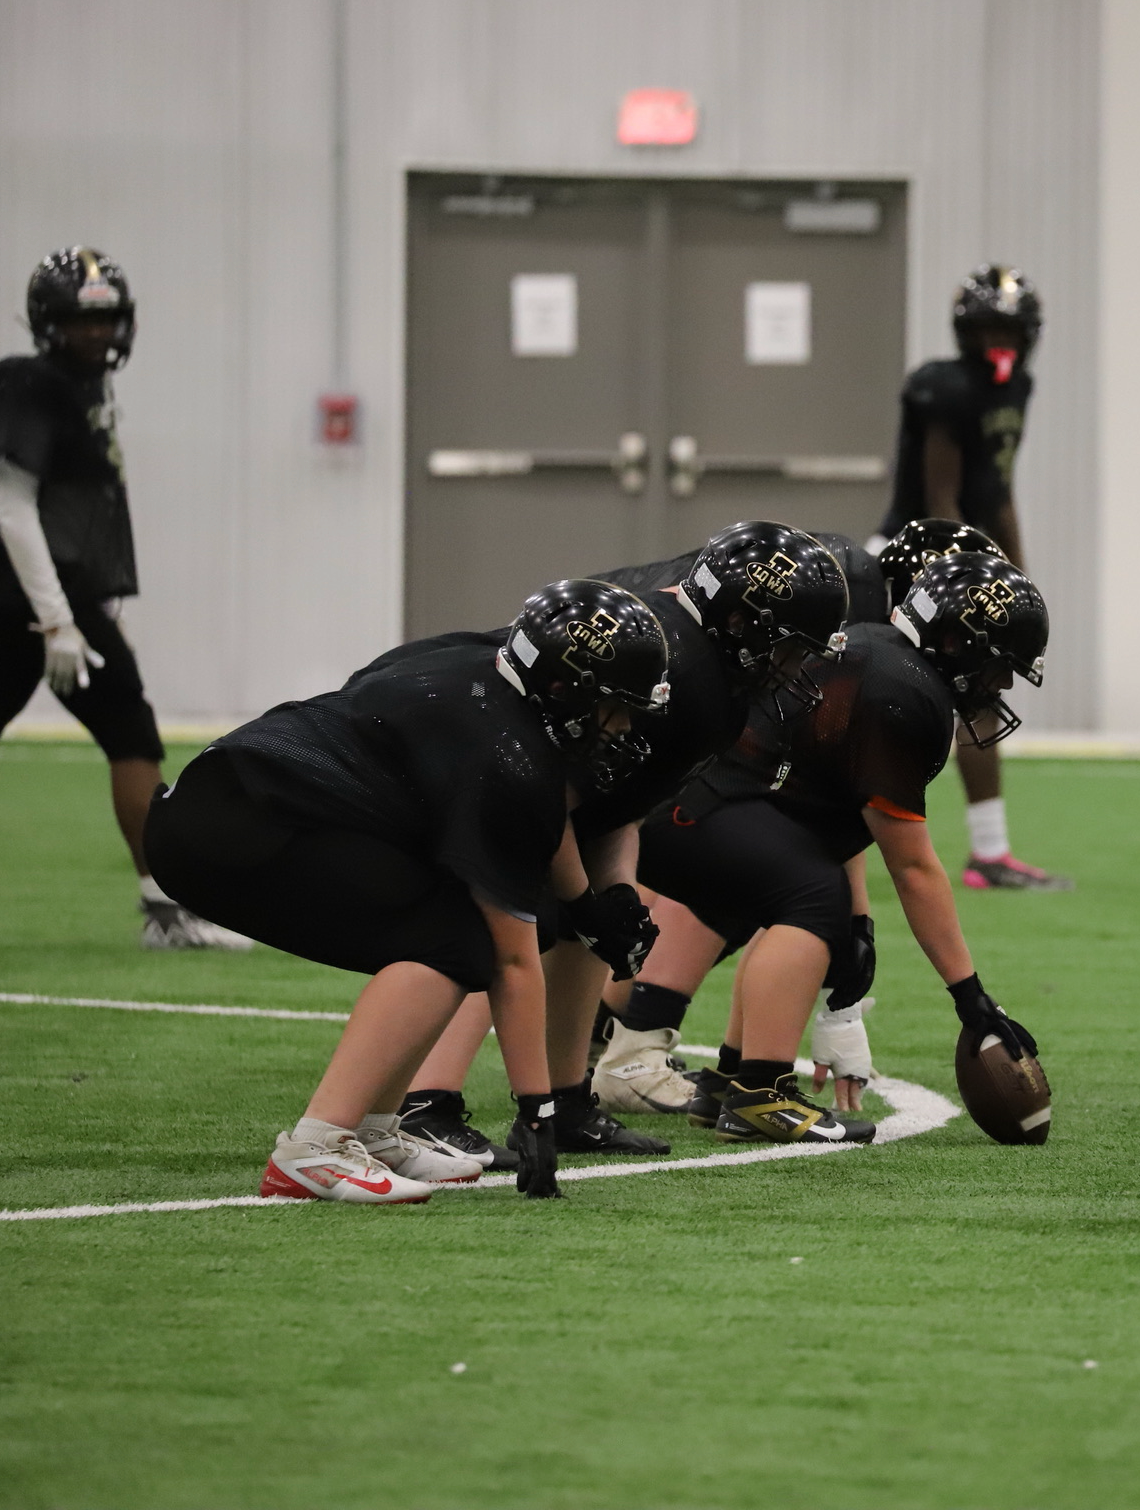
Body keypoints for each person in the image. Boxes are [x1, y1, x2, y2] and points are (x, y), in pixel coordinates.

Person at [145, 580, 675, 1203]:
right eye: (613, 706)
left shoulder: (489, 666)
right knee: (456, 940)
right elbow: (512, 959)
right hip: (234, 826)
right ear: (562, 688)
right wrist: (538, 1109)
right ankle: (314, 1148)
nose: (621, 726)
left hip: (240, 797)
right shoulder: (504, 752)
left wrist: (583, 903)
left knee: (453, 932)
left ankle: (371, 1129)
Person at [393, 523, 853, 1164]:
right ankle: (425, 1104)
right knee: (502, 918)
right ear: (746, 623)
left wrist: (607, 898)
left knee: (592, 922)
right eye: (790, 646)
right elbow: (555, 795)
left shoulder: (698, 656)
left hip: (513, 760)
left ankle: (567, 1098)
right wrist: (583, 897)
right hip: (470, 753)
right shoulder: (692, 680)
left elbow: (614, 809)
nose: (797, 667)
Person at [623, 550, 1049, 1147]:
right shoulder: (905, 692)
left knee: (793, 893)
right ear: (956, 642)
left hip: (693, 798)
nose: (1001, 684)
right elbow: (914, 867)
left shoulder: (879, 651)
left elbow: (832, 824)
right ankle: (760, 1094)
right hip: (694, 804)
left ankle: (730, 1082)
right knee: (809, 898)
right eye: (1000, 665)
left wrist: (852, 955)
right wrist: (969, 995)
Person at [0, 246, 246, 950]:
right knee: (131, 731)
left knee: (130, 731)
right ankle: (167, 909)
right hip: (16, 600)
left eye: (105, 320)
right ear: (46, 322)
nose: (95, 334)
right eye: (78, 321)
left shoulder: (80, 390)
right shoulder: (27, 384)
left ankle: (165, 905)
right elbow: (12, 507)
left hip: (39, 599)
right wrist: (59, 619)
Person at [875, 266, 1067, 891]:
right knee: (871, 703)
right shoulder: (945, 388)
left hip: (963, 558)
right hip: (916, 557)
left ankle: (989, 853)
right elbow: (942, 497)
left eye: (1007, 329)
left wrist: (1020, 578)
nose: (997, 341)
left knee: (982, 696)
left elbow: (997, 487)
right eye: (985, 328)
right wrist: (968, 581)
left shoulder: (1016, 388)